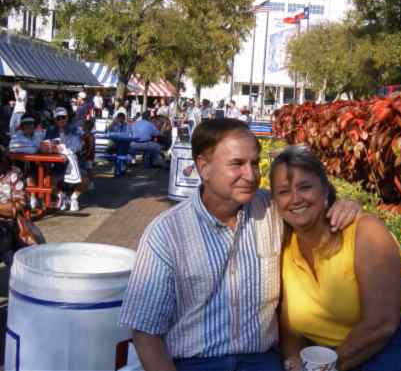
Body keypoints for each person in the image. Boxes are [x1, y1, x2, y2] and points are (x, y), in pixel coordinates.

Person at [119, 118, 361, 371]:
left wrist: (341, 205)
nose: (251, 174)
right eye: (237, 164)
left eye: (255, 163)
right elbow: (146, 332)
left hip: (262, 361)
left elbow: (309, 206)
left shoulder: (271, 209)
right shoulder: (166, 234)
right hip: (195, 363)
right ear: (204, 167)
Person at [270, 146, 401, 371]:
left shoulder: (364, 231)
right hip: (337, 359)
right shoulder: (283, 246)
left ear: (325, 191)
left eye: (305, 187)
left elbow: (381, 324)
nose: (295, 199)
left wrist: (327, 367)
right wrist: (295, 364)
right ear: (274, 201)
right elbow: (289, 329)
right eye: (283, 191)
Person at [45, 107, 85, 212]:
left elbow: (77, 146)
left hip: (73, 164)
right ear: (54, 120)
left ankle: (73, 198)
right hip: (58, 166)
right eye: (58, 118)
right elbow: (46, 144)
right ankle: (61, 196)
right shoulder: (50, 130)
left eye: (63, 117)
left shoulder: (75, 129)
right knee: (46, 181)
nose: (61, 119)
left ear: (67, 118)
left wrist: (62, 150)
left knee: (85, 179)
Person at [9, 114, 45, 209]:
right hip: (19, 165)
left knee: (35, 171)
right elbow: (15, 147)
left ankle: (33, 198)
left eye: (31, 124)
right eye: (26, 124)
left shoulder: (37, 134)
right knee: (28, 171)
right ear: (22, 126)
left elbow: (36, 147)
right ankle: (30, 198)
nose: (29, 126)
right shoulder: (17, 136)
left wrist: (33, 145)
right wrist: (34, 145)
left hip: (34, 164)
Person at [80, 120, 96, 190]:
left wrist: (88, 154)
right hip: (83, 154)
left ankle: (91, 183)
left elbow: (91, 146)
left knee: (89, 169)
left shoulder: (90, 136)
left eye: (83, 125)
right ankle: (86, 182)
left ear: (86, 127)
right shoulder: (83, 135)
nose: (82, 126)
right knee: (85, 169)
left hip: (88, 155)